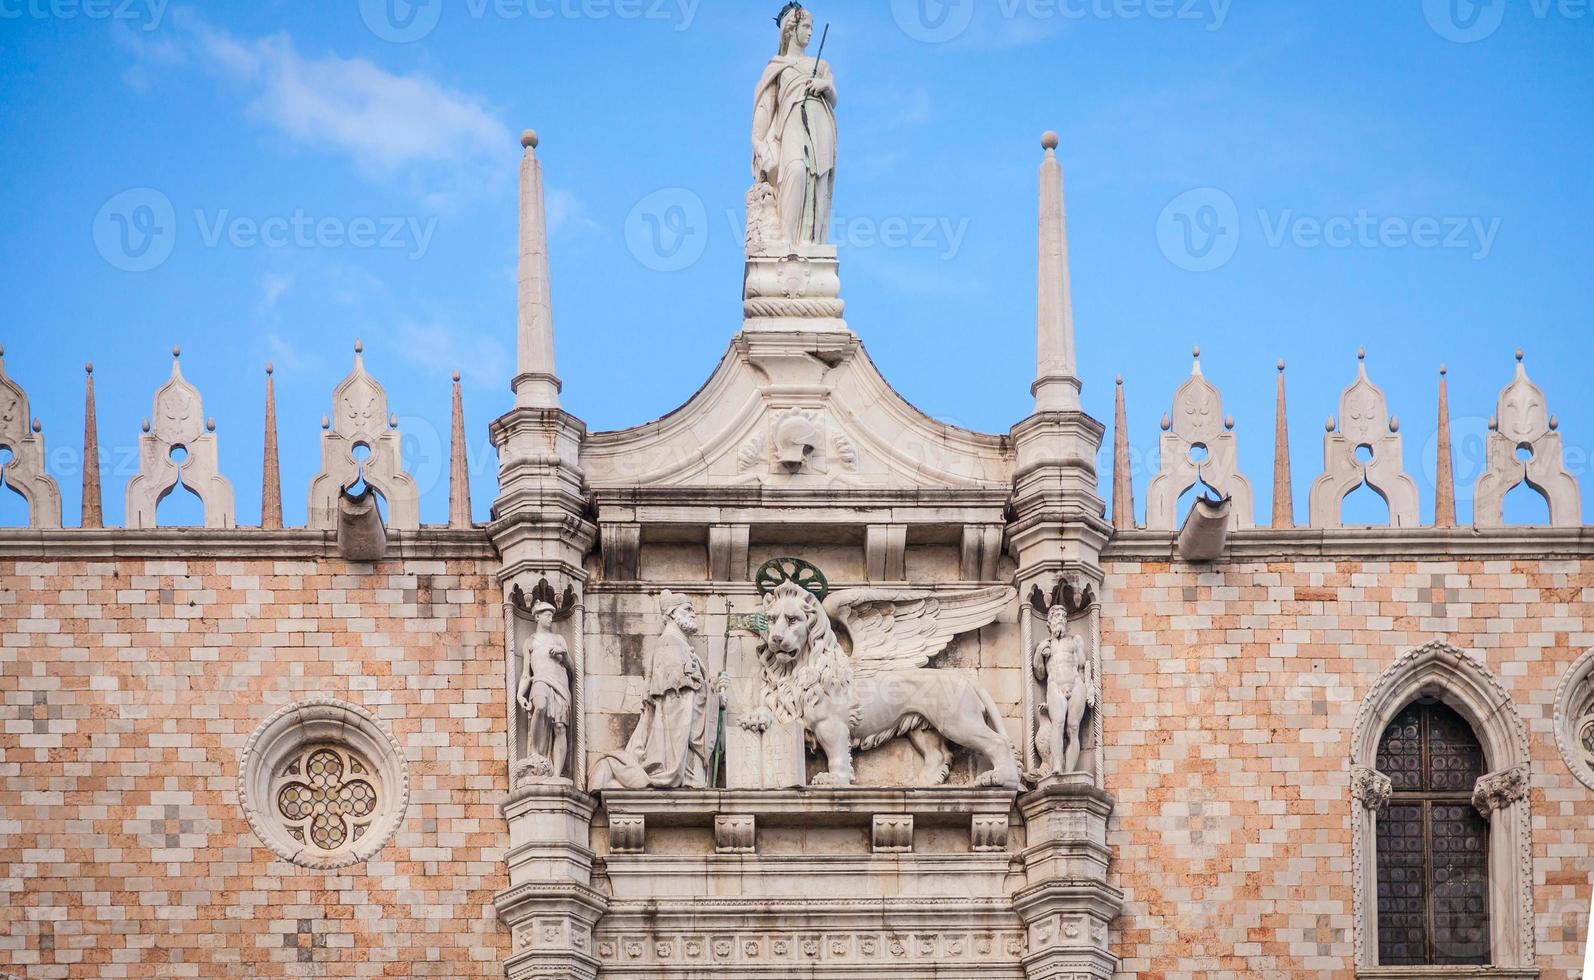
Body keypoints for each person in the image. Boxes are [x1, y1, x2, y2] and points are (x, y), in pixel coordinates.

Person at [751, 2, 838, 248]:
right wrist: (757, 140)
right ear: (791, 29)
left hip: (819, 122)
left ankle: (808, 240)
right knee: (796, 170)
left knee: (816, 177)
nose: (810, 32)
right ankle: (786, 239)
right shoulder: (777, 65)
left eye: (812, 28)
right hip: (790, 121)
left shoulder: (820, 66)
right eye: (806, 26)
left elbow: (834, 97)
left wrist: (825, 86)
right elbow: (766, 106)